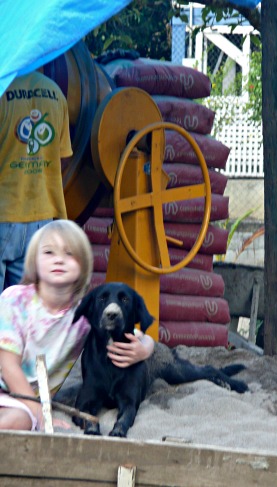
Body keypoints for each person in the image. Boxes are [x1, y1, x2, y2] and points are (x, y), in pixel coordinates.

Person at [0, 220, 155, 431]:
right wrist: (43, 416)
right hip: (13, 391)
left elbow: (141, 336)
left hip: (20, 403)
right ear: (33, 261)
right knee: (23, 419)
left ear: (83, 266)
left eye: (69, 254)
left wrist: (144, 349)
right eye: (48, 252)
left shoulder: (84, 315)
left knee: (20, 420)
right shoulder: (15, 300)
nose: (59, 260)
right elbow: (8, 367)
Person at [0, 70, 72, 291]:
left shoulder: (3, 91)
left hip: (4, 214)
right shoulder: (55, 94)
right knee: (26, 315)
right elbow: (63, 160)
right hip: (42, 219)